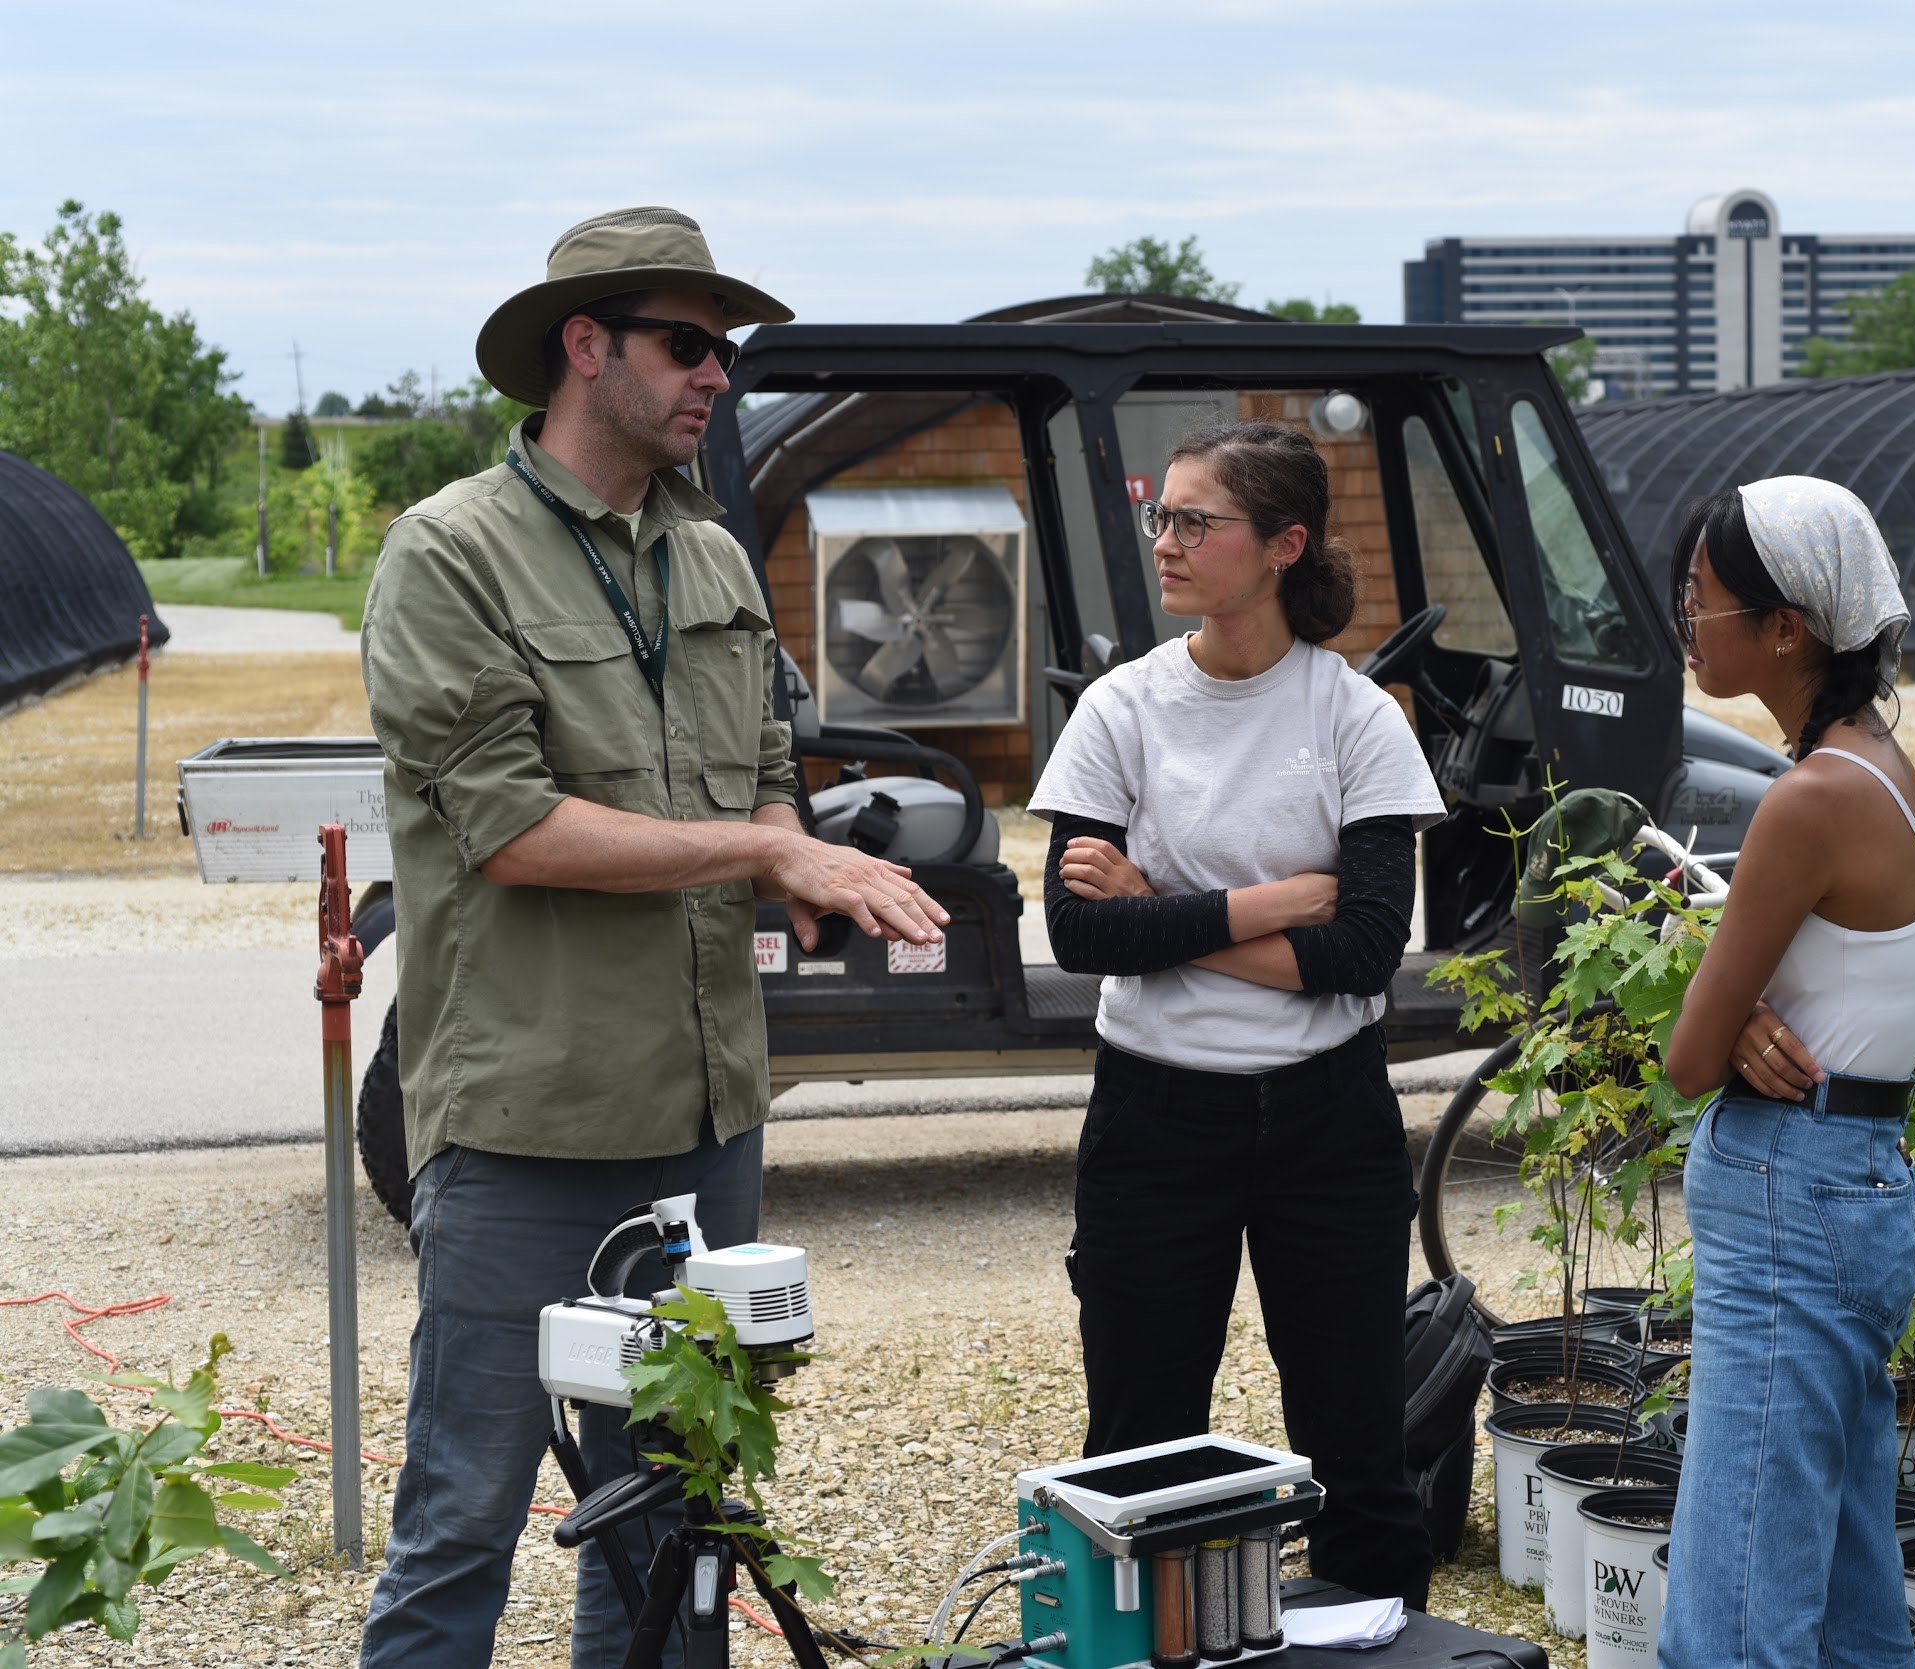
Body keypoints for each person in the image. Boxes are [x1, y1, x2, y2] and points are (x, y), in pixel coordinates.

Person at [358, 206, 947, 1668]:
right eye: (688, 345)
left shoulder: (718, 565)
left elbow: (761, 774)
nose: (718, 380)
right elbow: (510, 831)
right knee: (462, 1521)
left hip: (704, 1121)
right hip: (526, 1125)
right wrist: (760, 844)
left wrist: (799, 864)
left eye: (725, 351)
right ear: (585, 348)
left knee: (674, 1523)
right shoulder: (450, 556)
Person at [1026, 420, 1445, 1610]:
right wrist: (1266, 904)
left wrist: (1170, 908)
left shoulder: (1355, 716)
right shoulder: (1122, 708)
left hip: (1329, 1121)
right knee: (1143, 1442)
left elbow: (1363, 955)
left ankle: (1380, 1636)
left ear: (1281, 546)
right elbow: (1082, 934)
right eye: (1163, 515)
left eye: (1194, 521)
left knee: (1358, 1442)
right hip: (1155, 1122)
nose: (1165, 540)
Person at [1654, 477, 1915, 1669]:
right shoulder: (1879, 764)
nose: (1686, 616)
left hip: (1790, 1195)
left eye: (1702, 597)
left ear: (1785, 628)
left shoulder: (1806, 798)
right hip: (1858, 1176)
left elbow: (1683, 1060)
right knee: (1840, 1588)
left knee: (1731, 1613)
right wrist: (1740, 1001)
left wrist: (1723, 1009)